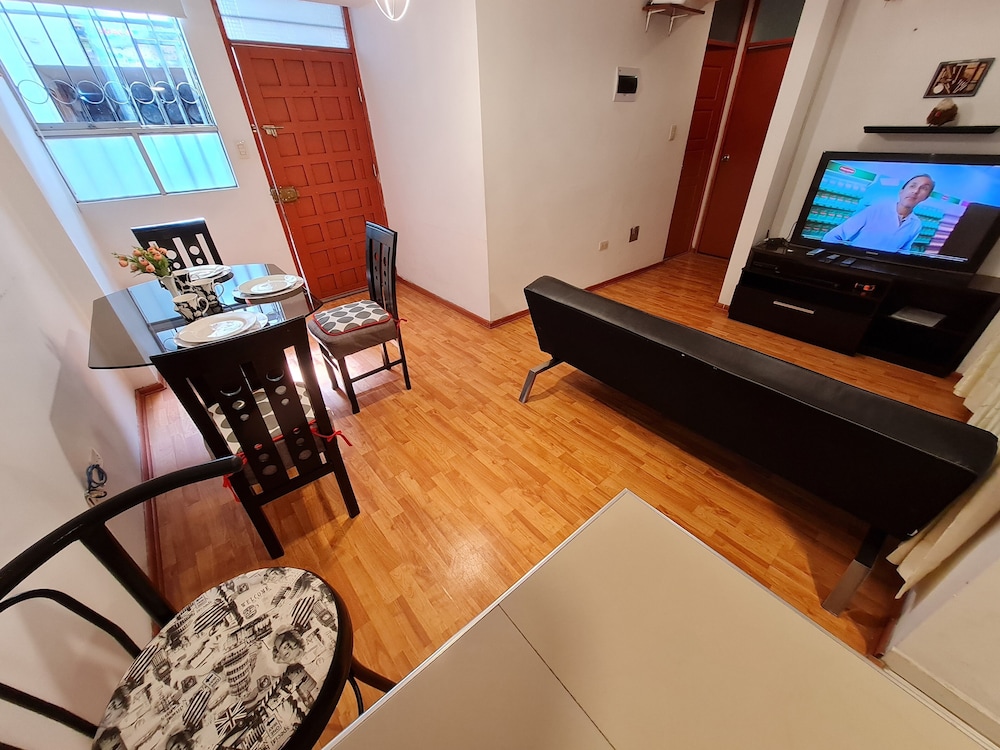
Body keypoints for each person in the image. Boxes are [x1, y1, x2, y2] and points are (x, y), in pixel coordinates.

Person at [822, 174, 935, 252]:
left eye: (924, 188)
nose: (915, 191)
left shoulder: (916, 224)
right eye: (913, 186)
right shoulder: (874, 210)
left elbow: (904, 250)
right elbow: (833, 236)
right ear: (901, 192)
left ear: (925, 198)